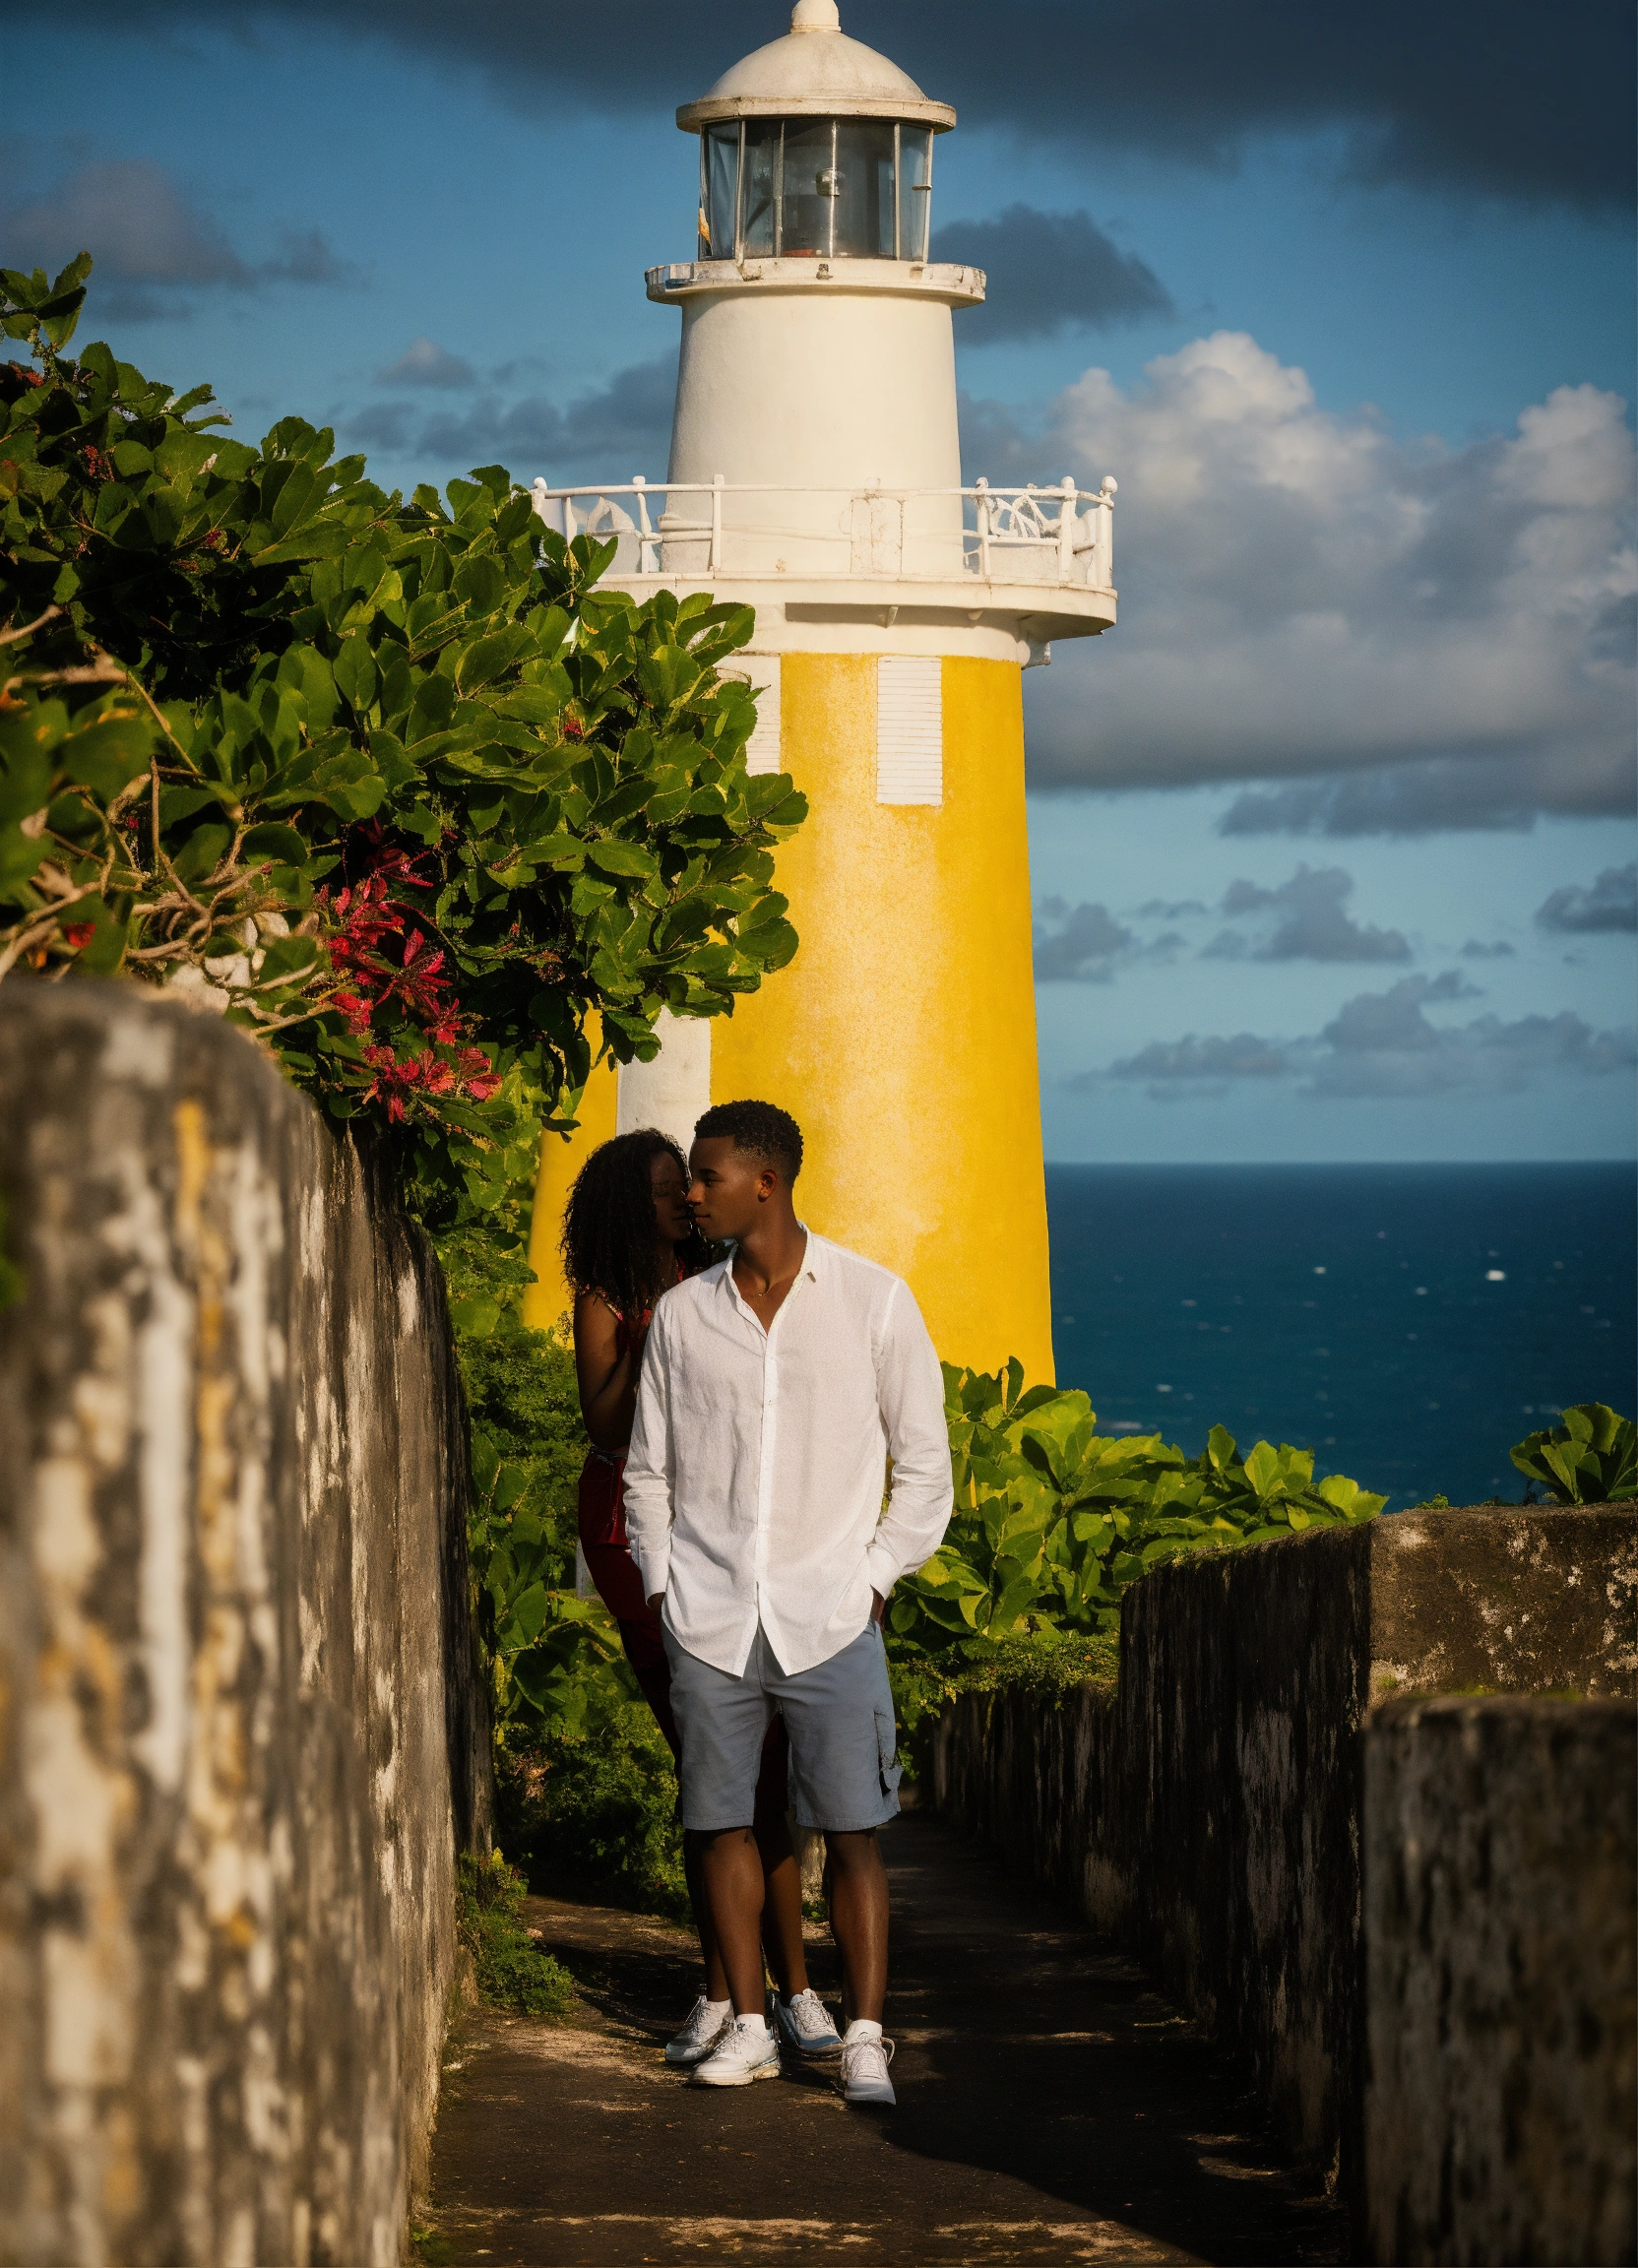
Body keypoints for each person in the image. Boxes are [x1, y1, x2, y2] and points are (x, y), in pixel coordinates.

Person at [623, 1101, 954, 2106]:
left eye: (707, 1176)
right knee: (718, 1822)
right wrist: (663, 1585)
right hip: (712, 1615)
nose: (690, 1192)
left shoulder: (873, 1302)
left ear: (764, 1182)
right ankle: (755, 2028)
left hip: (830, 1614)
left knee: (852, 1831)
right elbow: (648, 1472)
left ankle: (861, 2035)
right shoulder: (684, 1316)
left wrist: (869, 1578)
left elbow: (925, 1470)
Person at [562, 1127, 841, 2068]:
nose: (680, 1199)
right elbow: (603, 1420)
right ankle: (733, 1995)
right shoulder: (612, 1298)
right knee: (712, 1768)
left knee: (759, 1771)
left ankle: (786, 1993)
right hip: (635, 1537)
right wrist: (661, 1330)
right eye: (656, 1190)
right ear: (619, 1204)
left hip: (724, 1531)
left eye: (683, 1183)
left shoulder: (723, 1277)